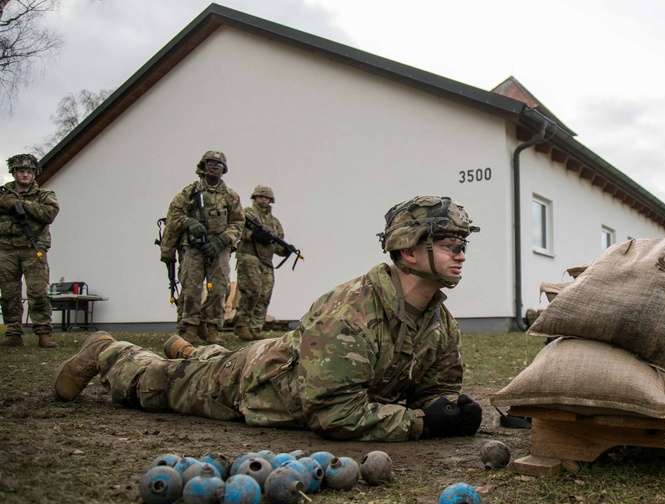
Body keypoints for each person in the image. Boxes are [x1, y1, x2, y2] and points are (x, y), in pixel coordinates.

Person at [53, 195, 484, 442]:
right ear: (408, 251)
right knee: (159, 384)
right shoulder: (350, 312)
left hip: (293, 369)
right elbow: (334, 414)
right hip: (255, 386)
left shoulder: (439, 322)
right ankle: (110, 352)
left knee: (201, 360)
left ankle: (195, 350)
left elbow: (437, 387)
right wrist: (424, 423)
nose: (460, 253)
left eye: (463, 243)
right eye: (448, 242)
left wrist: (447, 407)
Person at [159, 151, 243, 345]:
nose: (215, 167)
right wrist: (188, 222)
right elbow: (174, 215)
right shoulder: (190, 193)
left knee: (220, 288)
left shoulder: (231, 197)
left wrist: (223, 240)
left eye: (219, 164)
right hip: (193, 247)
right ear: (203, 167)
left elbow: (238, 223)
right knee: (191, 287)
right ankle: (189, 328)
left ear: (224, 169)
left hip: (219, 248)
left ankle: (211, 327)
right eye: (211, 163)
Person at [1, 154, 60, 348]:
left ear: (34, 174)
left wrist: (22, 205)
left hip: (33, 248)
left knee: (37, 292)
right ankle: (13, 333)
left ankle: (43, 333)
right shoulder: (3, 194)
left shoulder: (44, 195)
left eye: (28, 171)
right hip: (6, 249)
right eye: (20, 171)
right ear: (14, 173)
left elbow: (49, 214)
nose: (24, 175)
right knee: (9, 293)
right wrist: (6, 202)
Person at [233, 185, 288, 341]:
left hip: (266, 261)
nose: (263, 199)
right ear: (254, 198)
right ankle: (242, 324)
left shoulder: (274, 222)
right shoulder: (246, 214)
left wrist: (286, 250)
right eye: (260, 196)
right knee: (252, 291)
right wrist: (252, 235)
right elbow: (236, 230)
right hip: (249, 256)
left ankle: (255, 327)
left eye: (267, 197)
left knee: (265, 294)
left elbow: (277, 243)